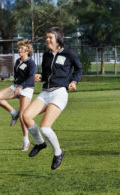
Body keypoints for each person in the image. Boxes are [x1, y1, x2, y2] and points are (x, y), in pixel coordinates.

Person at [23, 27, 83, 170]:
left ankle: (58, 152)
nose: (47, 40)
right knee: (26, 116)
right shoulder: (46, 55)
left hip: (59, 93)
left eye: (50, 37)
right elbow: (46, 74)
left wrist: (74, 82)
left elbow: (79, 69)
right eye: (46, 37)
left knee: (44, 127)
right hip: (45, 92)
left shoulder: (69, 54)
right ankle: (40, 143)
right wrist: (40, 76)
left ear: (58, 39)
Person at [0, 40, 36, 152]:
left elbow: (31, 78)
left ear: (27, 51)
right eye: (19, 48)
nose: (19, 50)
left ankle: (26, 142)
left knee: (23, 117)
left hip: (26, 89)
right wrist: (16, 85)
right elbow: (17, 76)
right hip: (16, 86)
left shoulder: (31, 63)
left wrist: (21, 87)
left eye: (21, 49)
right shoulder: (18, 61)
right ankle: (14, 113)